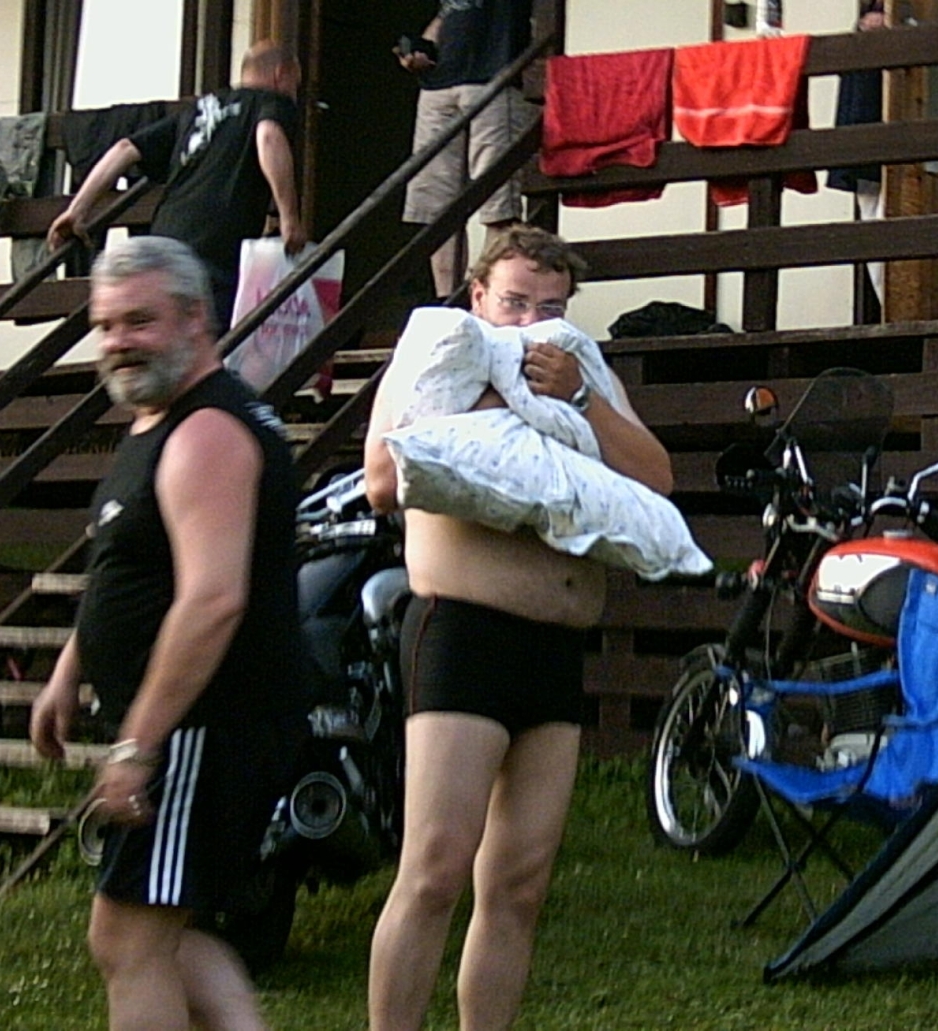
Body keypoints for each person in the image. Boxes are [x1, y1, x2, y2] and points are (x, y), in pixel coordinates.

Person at [364, 224, 673, 1030]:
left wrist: (579, 399)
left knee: (519, 885)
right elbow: (381, 480)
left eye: (551, 306)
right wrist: (493, 411)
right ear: (478, 296)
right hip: (463, 631)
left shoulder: (581, 371)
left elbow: (657, 477)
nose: (532, 321)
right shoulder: (441, 354)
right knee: (434, 868)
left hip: (555, 646)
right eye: (515, 302)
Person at [29, 235, 304, 1031]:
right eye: (106, 325)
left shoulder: (207, 433)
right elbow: (131, 564)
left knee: (127, 938)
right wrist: (70, 669)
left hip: (203, 726)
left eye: (139, 321)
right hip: (189, 728)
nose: (118, 341)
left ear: (195, 318)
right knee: (165, 934)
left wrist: (136, 746)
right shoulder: (162, 421)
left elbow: (211, 600)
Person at [47, 40, 307, 335]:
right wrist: (289, 218)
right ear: (281, 73)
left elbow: (125, 148)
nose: (295, 93)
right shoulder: (272, 102)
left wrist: (77, 211)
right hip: (216, 248)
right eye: (295, 84)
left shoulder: (199, 108)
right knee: (208, 340)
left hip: (164, 240)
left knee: (163, 335)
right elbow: (269, 136)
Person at [397, 1, 533, 300]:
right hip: (437, 86)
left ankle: (488, 300)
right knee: (437, 208)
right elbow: (448, 11)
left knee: (498, 204)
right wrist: (421, 48)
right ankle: (449, 302)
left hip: (495, 78)